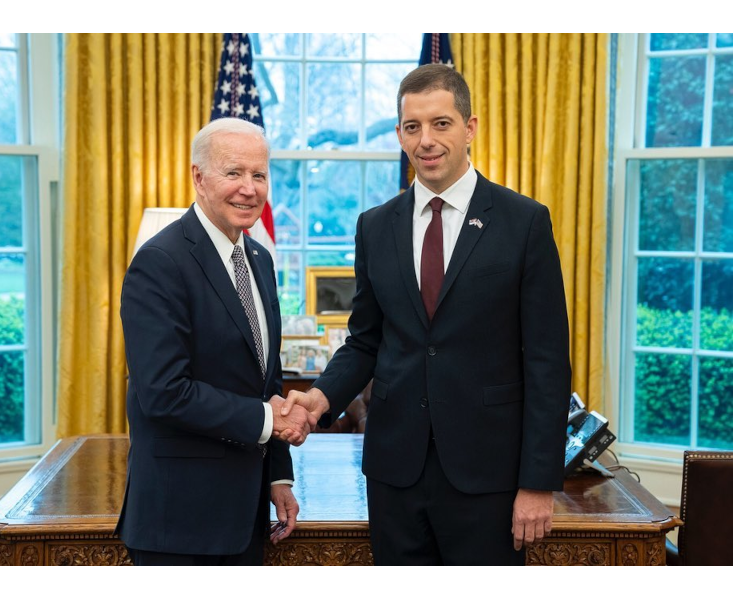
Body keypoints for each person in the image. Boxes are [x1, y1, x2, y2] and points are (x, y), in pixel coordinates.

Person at [281, 64, 571, 566]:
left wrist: (538, 482)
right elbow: (365, 340)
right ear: (399, 134)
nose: (426, 140)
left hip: (489, 475)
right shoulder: (374, 227)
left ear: (469, 128)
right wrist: (320, 398)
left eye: (441, 123)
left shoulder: (524, 222)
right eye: (413, 127)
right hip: (395, 473)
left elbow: (547, 362)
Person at [116, 118, 316, 566]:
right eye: (234, 172)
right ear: (199, 177)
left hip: (245, 518)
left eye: (259, 174)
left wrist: (278, 477)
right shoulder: (160, 262)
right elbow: (165, 393)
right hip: (179, 525)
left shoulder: (259, 259)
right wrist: (269, 420)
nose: (249, 188)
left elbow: (265, 380)